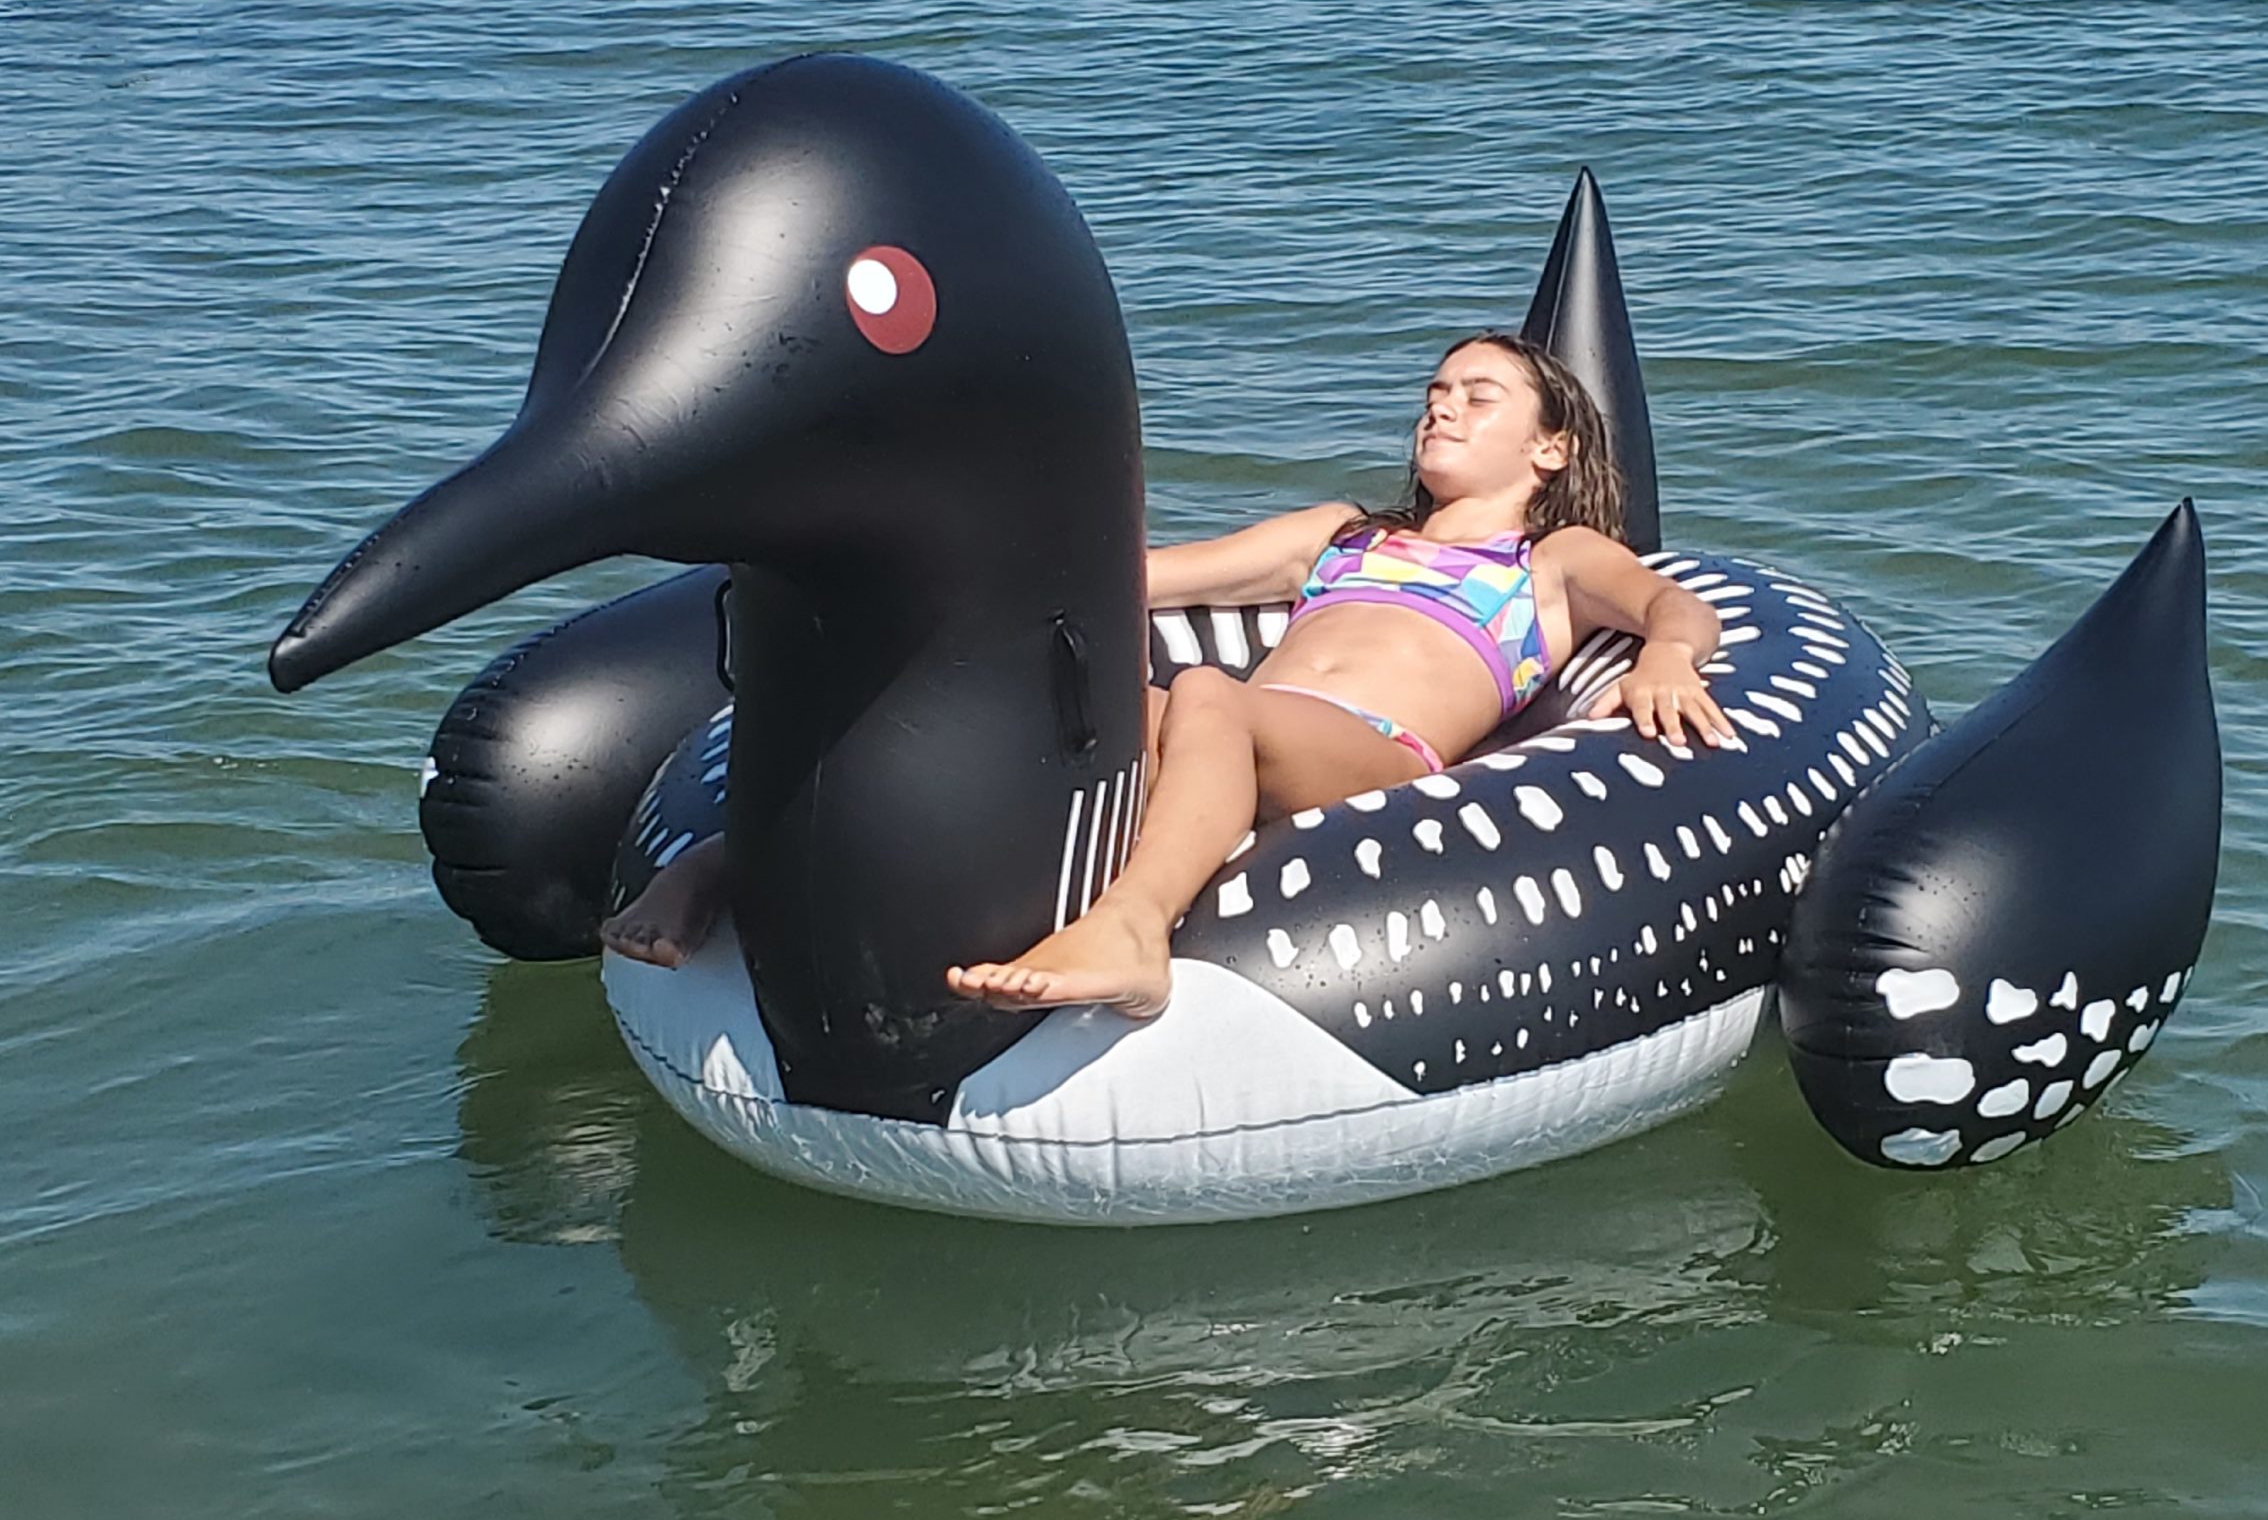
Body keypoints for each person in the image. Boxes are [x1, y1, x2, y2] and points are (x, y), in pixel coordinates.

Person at [605, 335, 1737, 1017]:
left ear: (1550, 449)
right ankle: (744, 859)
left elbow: (1670, 605)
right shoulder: (1342, 536)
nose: (1442, 406)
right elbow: (1133, 580)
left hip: (1374, 754)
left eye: (1479, 397)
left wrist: (1667, 655)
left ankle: (1135, 932)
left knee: (1204, 698)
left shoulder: (1544, 561)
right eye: (1435, 391)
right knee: (1069, 715)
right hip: (1242, 724)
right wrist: (957, 571)